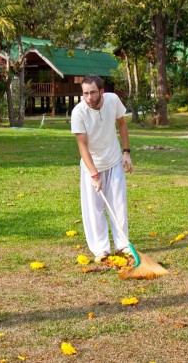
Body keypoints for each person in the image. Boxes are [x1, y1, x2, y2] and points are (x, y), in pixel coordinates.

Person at [71, 75, 133, 262]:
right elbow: (82, 147)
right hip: (92, 164)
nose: (88, 97)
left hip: (114, 160)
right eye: (85, 94)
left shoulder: (113, 100)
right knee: (95, 208)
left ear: (101, 91)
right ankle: (101, 250)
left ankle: (123, 246)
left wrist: (126, 152)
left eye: (92, 92)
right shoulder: (78, 112)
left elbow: (121, 124)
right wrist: (94, 173)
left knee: (118, 204)